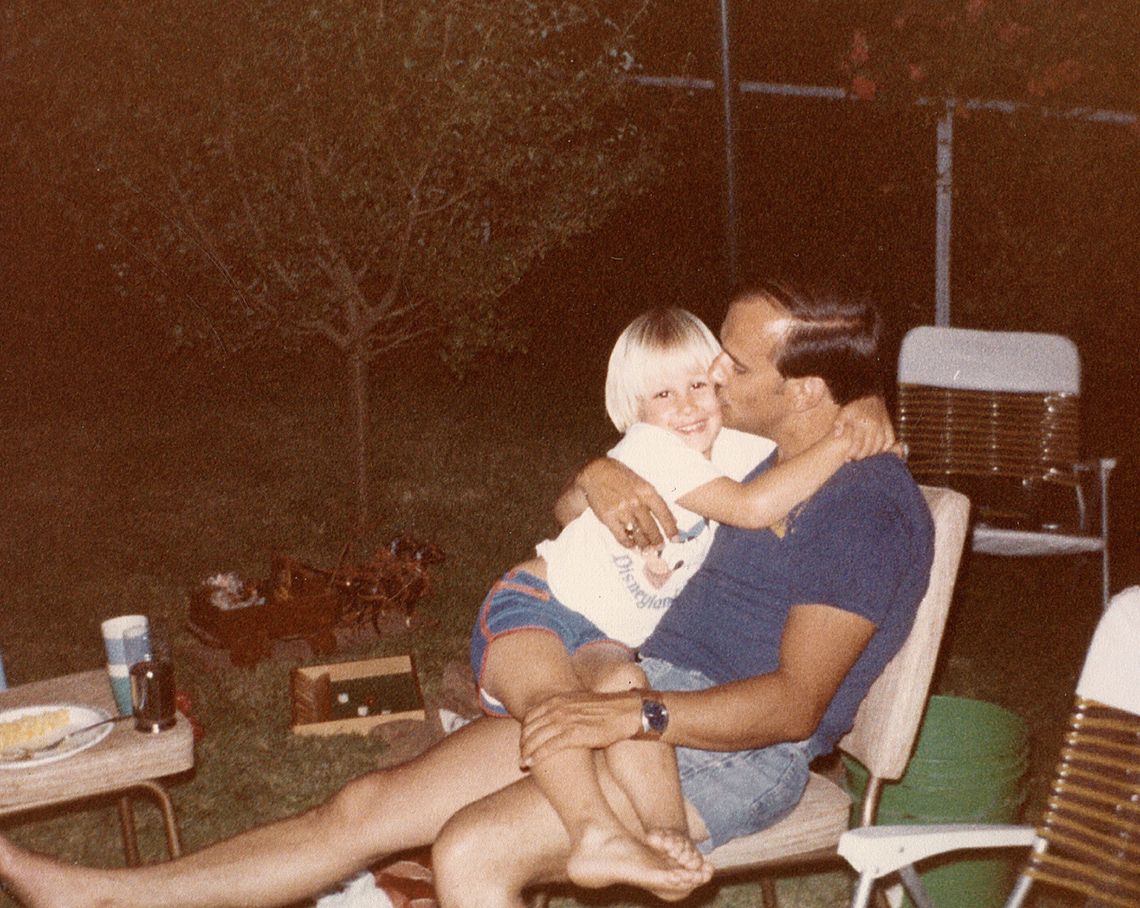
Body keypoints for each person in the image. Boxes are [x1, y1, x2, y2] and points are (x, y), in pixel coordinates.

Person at [0, 281, 932, 908]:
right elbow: (619, 487)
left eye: (732, 361)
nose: (710, 373)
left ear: (806, 388)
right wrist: (595, 478)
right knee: (365, 808)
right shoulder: (754, 448)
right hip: (621, 687)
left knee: (471, 850)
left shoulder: (867, 509)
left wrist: (628, 718)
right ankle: (99, 898)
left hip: (721, 744)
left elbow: (793, 705)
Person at [473, 307, 870, 891]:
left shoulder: (734, 448)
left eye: (700, 386)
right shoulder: (650, 450)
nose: (686, 406)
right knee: (552, 704)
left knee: (628, 692)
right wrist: (847, 442)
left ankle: (666, 835)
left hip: (608, 639)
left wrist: (862, 403)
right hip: (536, 604)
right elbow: (753, 508)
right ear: (635, 412)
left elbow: (791, 438)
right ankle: (594, 835)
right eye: (663, 394)